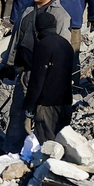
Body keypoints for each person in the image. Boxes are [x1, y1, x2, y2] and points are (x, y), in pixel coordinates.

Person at [4, 0, 71, 150]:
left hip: (45, 78)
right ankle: (11, 154)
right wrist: (9, 64)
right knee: (17, 117)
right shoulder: (26, 10)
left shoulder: (60, 15)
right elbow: (16, 39)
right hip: (25, 74)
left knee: (43, 122)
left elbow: (63, 51)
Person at [22, 11, 75, 143]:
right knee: (61, 144)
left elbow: (37, 80)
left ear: (37, 28)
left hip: (47, 105)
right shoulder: (66, 44)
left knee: (46, 146)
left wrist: (29, 108)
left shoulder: (43, 45)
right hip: (65, 103)